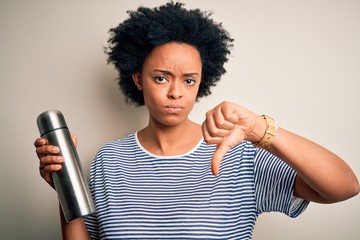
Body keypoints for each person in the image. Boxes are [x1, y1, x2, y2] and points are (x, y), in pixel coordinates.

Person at [34, 1, 359, 239]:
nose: (176, 92)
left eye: (189, 80)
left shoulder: (240, 155)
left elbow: (344, 186)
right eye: (161, 78)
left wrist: (261, 129)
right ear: (138, 79)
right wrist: (64, 190)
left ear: (201, 82)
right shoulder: (110, 160)